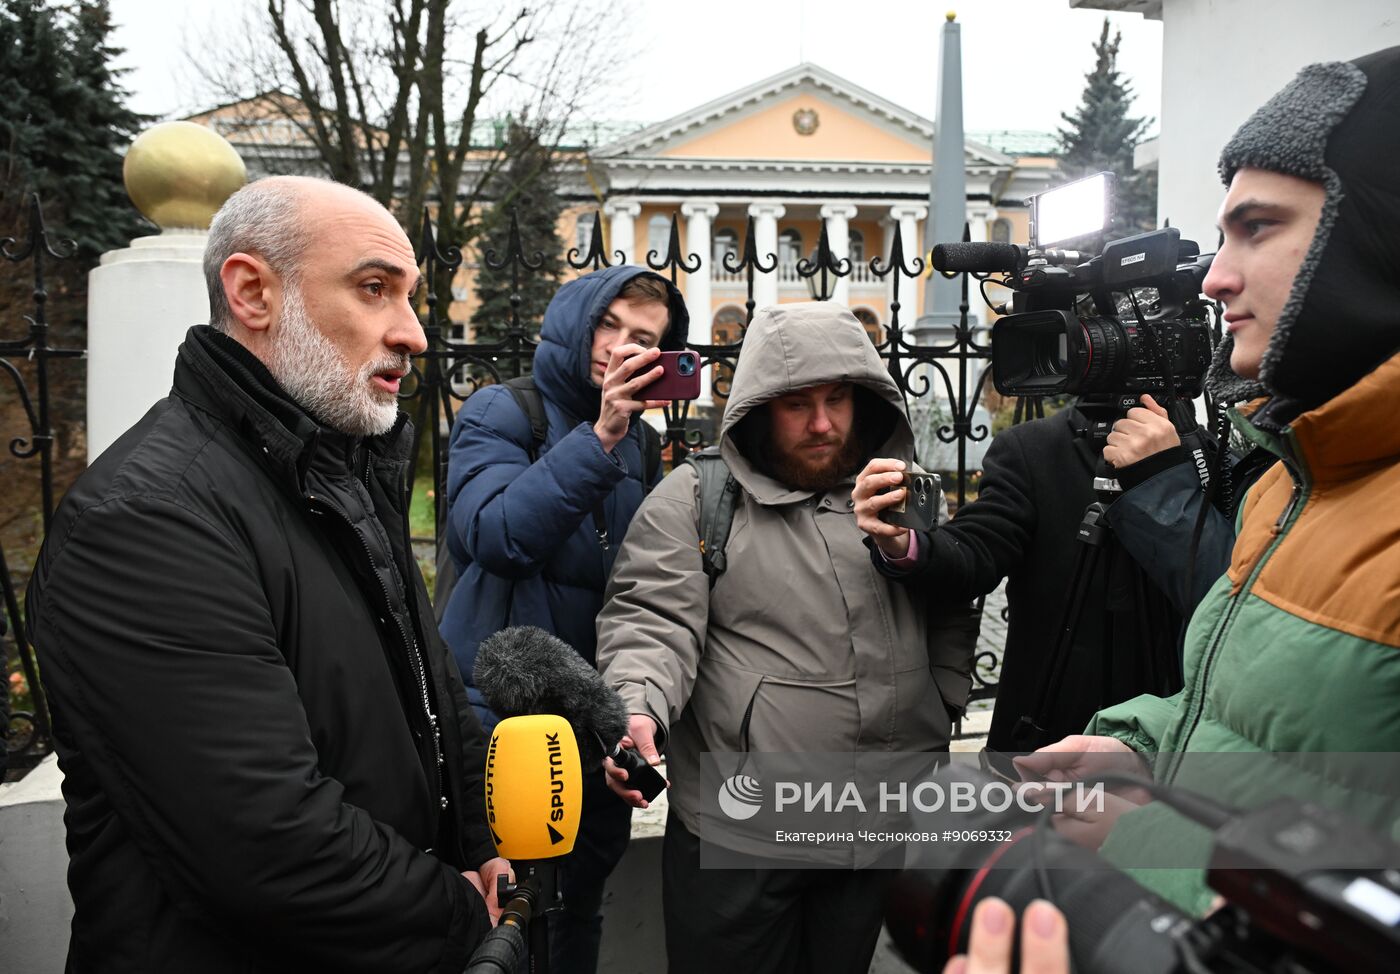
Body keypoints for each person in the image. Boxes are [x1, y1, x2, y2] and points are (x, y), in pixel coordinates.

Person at [25, 176, 507, 972]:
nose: (414, 333)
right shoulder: (149, 519)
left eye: (410, 296)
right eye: (375, 289)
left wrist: (477, 845)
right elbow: (264, 843)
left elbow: (428, 694)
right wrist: (458, 910)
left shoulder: (335, 469)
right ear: (252, 291)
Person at [1019, 46, 1400, 916]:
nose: (1214, 277)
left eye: (1257, 227)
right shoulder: (1295, 474)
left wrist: (1145, 835)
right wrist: (1149, 748)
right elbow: (1280, 729)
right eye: (1221, 233)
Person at [596, 302, 972, 974]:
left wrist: (942, 694)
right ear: (759, 409)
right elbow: (653, 619)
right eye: (798, 404)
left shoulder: (903, 494)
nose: (823, 423)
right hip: (743, 839)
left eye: (837, 399)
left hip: (875, 826)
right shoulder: (695, 499)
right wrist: (637, 702)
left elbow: (947, 600)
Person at [438, 264, 688, 974]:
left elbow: (632, 586)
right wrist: (601, 436)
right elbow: (497, 535)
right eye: (608, 324)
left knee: (581, 912)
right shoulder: (501, 412)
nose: (619, 345)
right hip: (503, 727)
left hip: (593, 729)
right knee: (506, 923)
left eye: (643, 336)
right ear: (576, 321)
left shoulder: (640, 442)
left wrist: (624, 720)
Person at [853, 398, 1186, 752]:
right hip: (1049, 731)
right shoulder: (1034, 449)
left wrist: (1170, 473)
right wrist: (906, 544)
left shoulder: (1204, 452)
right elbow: (978, 549)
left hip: (1182, 733)